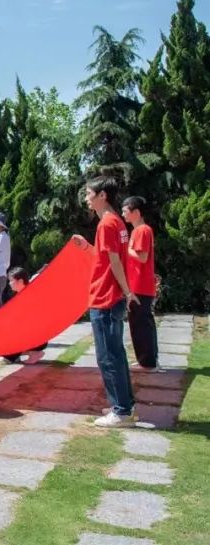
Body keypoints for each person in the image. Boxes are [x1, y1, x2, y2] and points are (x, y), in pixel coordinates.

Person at [71, 177, 139, 428]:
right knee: (115, 354)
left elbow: (115, 262)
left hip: (105, 298)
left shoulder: (107, 224)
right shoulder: (115, 222)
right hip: (110, 296)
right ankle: (124, 405)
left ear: (102, 196)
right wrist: (86, 247)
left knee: (108, 356)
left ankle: (122, 411)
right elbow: (105, 257)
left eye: (89, 193)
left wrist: (127, 291)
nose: (86, 198)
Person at [121, 196, 159, 370]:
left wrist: (126, 249)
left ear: (136, 212)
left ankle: (149, 363)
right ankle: (146, 360)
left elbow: (142, 257)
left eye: (125, 211)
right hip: (137, 286)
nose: (123, 214)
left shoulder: (142, 230)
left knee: (141, 325)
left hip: (140, 287)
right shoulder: (139, 230)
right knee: (139, 324)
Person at [3, 267, 47, 365]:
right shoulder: (20, 295)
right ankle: (23, 353)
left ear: (20, 281)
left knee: (7, 351)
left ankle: (35, 352)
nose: (9, 283)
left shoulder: (29, 296)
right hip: (30, 335)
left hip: (37, 337)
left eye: (11, 281)